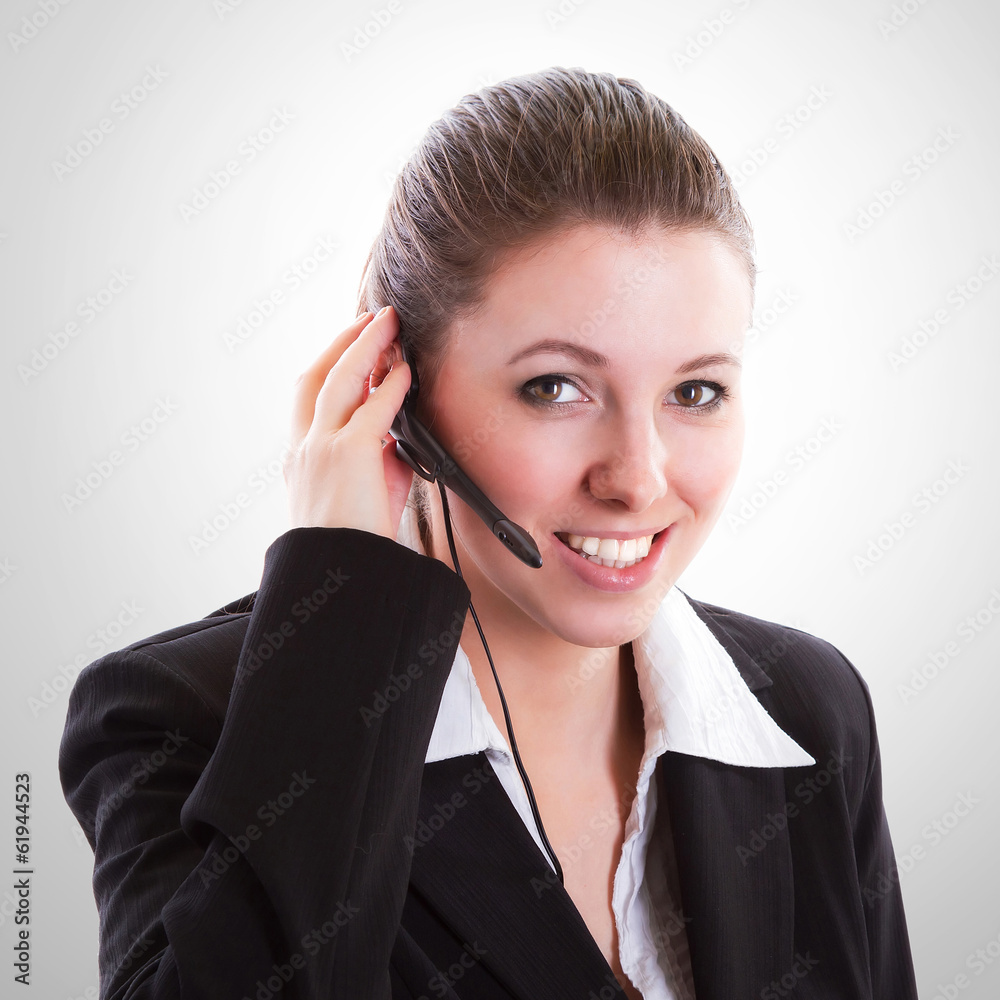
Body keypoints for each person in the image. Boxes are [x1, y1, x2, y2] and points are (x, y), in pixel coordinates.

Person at [59, 67, 918, 999]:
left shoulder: (803, 709)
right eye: (555, 387)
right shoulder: (188, 718)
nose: (638, 479)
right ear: (397, 392)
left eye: (695, 392)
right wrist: (339, 588)